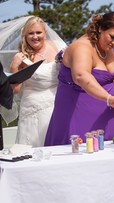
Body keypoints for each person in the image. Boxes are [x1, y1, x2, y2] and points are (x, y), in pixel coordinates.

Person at [44, 12, 114, 146]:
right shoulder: (81, 47)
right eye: (112, 37)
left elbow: (110, 78)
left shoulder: (110, 48)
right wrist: (108, 98)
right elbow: (81, 76)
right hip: (79, 113)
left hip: (107, 115)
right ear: (100, 28)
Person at [9, 16, 66, 147]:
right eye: (31, 33)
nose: (35, 37)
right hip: (34, 108)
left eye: (38, 32)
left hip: (58, 103)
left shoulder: (58, 46)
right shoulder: (22, 56)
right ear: (25, 35)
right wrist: (14, 66)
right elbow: (15, 90)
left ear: (45, 32)